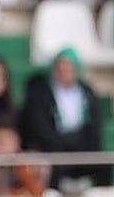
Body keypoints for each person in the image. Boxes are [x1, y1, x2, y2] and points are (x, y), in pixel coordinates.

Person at [20, 47, 110, 188]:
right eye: (61, 69)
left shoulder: (88, 94)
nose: (65, 73)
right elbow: (41, 127)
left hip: (82, 147)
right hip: (54, 149)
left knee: (103, 163)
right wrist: (58, 144)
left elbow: (95, 126)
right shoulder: (42, 94)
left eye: (69, 68)